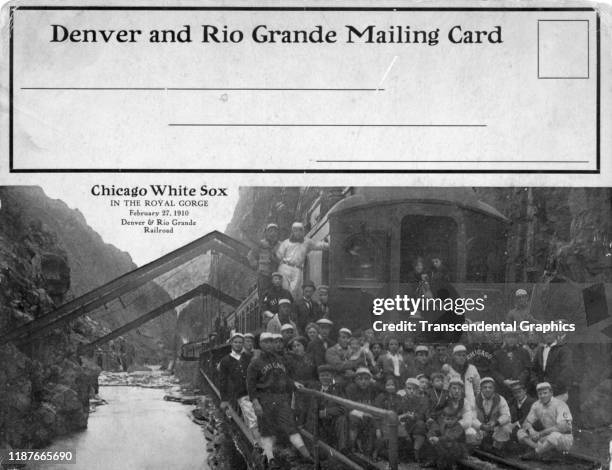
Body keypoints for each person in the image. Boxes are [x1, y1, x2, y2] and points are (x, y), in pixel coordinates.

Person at [246, 332, 312, 468]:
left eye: (271, 341)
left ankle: (306, 455)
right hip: (265, 398)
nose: (269, 344)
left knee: (290, 426)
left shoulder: (279, 359)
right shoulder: (255, 363)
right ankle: (270, 459)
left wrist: (293, 384)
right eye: (266, 342)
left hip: (281, 398)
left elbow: (285, 378)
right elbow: (250, 385)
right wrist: (255, 402)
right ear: (260, 344)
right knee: (266, 430)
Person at [218, 333, 261, 442]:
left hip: (254, 391)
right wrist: (224, 399)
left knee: (257, 417)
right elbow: (222, 381)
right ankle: (261, 446)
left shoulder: (247, 357)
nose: (238, 344)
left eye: (240, 342)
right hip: (241, 393)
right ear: (231, 343)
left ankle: (256, 442)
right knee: (252, 419)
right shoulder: (225, 360)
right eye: (236, 342)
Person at [517, 382, 573, 459]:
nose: (542, 396)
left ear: (551, 393)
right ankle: (543, 450)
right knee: (520, 433)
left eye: (545, 393)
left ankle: (536, 453)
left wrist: (540, 434)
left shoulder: (561, 405)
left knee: (554, 436)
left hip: (563, 437)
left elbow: (562, 427)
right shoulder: (537, 405)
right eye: (540, 394)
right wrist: (531, 431)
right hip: (546, 437)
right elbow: (526, 422)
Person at [276, 222, 329, 298]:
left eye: (300, 230)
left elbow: (317, 245)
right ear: (293, 232)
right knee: (284, 290)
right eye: (295, 231)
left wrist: (330, 244)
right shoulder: (286, 243)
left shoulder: (307, 242)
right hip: (285, 267)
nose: (298, 233)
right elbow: (278, 255)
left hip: (297, 269)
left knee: (293, 292)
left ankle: (290, 307)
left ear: (302, 231)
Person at [309, 364, 348, 451]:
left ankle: (343, 449)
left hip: (333, 421)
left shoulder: (338, 389)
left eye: (327, 375)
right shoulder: (315, 388)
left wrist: (327, 412)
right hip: (319, 423)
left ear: (332, 376)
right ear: (319, 377)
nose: (325, 378)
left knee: (342, 419)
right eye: (322, 375)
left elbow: (344, 408)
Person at [532, 330, 573, 401]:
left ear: (555, 334)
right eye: (545, 334)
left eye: (550, 333)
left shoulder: (563, 349)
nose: (548, 336)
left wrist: (554, 386)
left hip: (558, 392)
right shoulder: (540, 350)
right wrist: (537, 384)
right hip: (542, 391)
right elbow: (534, 370)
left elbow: (566, 370)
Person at [473, 377, 512, 450]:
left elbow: (507, 416)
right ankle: (478, 446)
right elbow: (472, 418)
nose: (487, 389)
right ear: (481, 389)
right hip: (481, 427)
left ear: (494, 389)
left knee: (506, 426)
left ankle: (496, 448)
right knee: (470, 431)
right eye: (485, 387)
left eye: (490, 387)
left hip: (494, 427)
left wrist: (496, 422)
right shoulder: (475, 399)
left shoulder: (500, 399)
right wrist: (481, 426)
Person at [345, 367, 378, 454]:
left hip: (368, 416)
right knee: (353, 420)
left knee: (373, 422)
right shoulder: (351, 388)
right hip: (354, 415)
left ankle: (369, 449)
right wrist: (363, 414)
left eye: (366, 379)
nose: (363, 381)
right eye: (360, 379)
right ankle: (352, 446)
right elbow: (349, 408)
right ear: (355, 380)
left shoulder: (372, 389)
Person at [285, 336, 317, 425]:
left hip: (311, 386)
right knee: (300, 408)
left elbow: (315, 373)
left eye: (298, 345)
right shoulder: (289, 359)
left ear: (304, 346)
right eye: (294, 347)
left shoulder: (311, 357)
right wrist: (294, 382)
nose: (296, 348)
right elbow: (286, 375)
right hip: (297, 387)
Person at [492, 330, 532, 398]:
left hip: (520, 387)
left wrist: (520, 380)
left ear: (517, 339)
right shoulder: (497, 353)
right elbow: (494, 371)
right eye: (508, 337)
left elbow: (528, 369)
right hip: (504, 389)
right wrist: (504, 381)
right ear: (504, 338)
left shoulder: (524, 352)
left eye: (513, 337)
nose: (511, 340)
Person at [247, 223, 280, 303]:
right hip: (264, 276)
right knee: (264, 298)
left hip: (277, 276)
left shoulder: (280, 245)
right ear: (266, 233)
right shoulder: (260, 244)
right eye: (270, 231)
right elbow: (250, 255)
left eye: (275, 231)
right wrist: (255, 263)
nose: (273, 233)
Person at [396, 377, 427, 462]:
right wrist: (404, 415)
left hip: (414, 425)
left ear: (418, 390)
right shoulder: (400, 399)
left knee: (421, 424)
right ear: (405, 389)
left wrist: (414, 416)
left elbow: (422, 415)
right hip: (403, 425)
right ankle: (401, 454)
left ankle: (416, 452)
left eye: (415, 389)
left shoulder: (422, 400)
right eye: (409, 388)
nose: (412, 391)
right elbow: (396, 414)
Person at [443, 344, 481, 410]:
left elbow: (477, 387)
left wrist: (477, 401)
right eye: (459, 355)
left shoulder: (472, 368)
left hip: (471, 403)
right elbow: (445, 389)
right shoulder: (449, 369)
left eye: (464, 355)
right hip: (454, 404)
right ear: (454, 356)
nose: (461, 357)